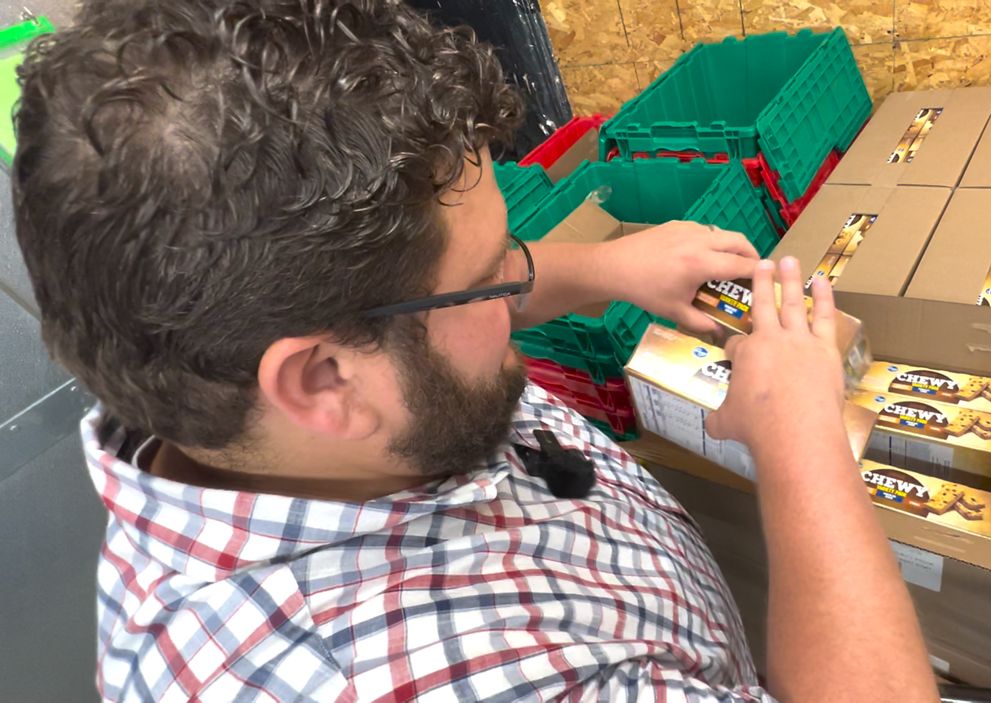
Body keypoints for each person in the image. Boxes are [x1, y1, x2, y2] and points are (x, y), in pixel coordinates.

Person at [13, 1, 937, 700]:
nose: (519, 281)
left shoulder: (235, 374)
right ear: (323, 380)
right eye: (493, 276)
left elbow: (417, 301)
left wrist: (607, 267)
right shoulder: (429, 678)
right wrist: (801, 439)